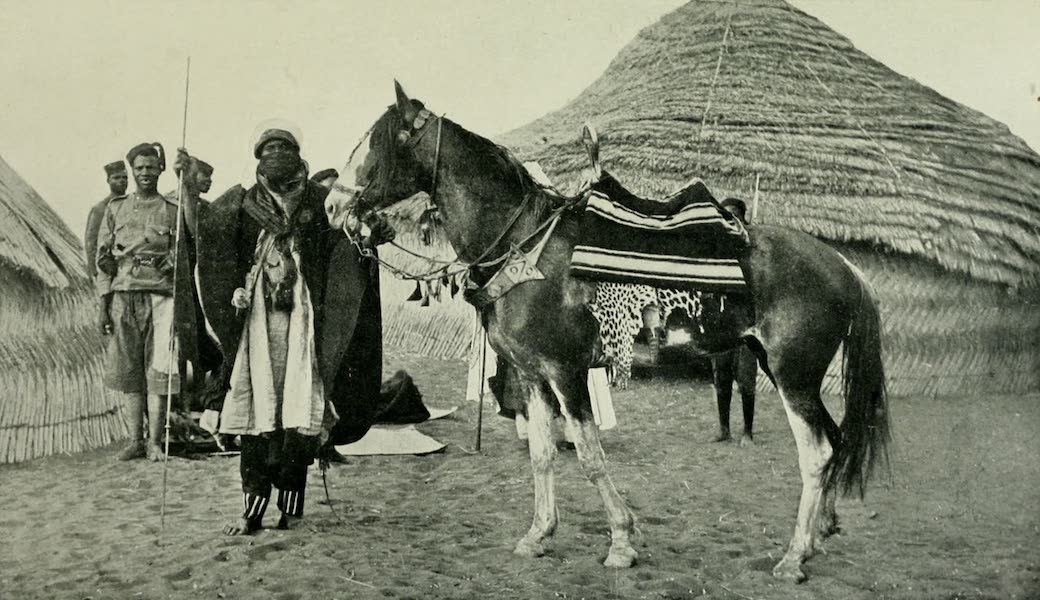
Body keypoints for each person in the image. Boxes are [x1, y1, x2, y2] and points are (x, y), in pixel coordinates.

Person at [191, 125, 393, 535]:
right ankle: (251, 511)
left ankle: (289, 508)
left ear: (300, 157)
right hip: (258, 328)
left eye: (285, 148)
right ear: (259, 162)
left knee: (299, 417)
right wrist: (234, 293)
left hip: (304, 326)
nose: (278, 154)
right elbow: (214, 250)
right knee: (257, 417)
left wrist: (371, 237)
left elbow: (347, 248)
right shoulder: (240, 207)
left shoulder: (322, 204)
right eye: (270, 149)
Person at [95, 143, 207, 461]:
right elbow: (102, 261)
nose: (145, 173)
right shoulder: (115, 209)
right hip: (123, 297)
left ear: (160, 169)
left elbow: (192, 234)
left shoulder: (172, 208)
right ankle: (136, 441)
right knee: (130, 373)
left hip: (161, 299)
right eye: (139, 167)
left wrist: (186, 182)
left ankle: (155, 442)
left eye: (151, 167)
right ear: (132, 171)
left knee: (160, 369)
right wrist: (103, 304)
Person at [711, 197, 757, 446]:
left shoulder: (751, 249)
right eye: (726, 215)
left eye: (735, 215)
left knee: (747, 380)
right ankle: (724, 428)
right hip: (722, 323)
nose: (731, 219)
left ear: (743, 219)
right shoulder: (718, 249)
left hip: (747, 325)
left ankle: (748, 432)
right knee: (722, 378)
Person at [84, 161, 128, 279]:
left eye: (124, 177)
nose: (121, 181)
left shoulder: (132, 205)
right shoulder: (100, 209)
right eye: (116, 178)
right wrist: (95, 273)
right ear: (108, 180)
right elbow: (91, 243)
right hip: (106, 270)